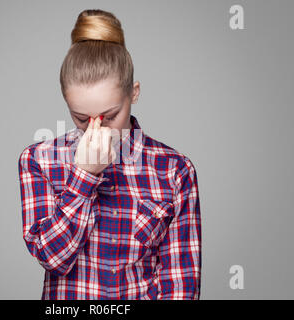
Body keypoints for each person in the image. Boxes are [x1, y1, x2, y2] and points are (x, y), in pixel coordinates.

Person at [18, 9, 201, 300]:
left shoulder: (174, 170)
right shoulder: (39, 160)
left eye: (110, 115)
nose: (96, 128)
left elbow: (180, 283)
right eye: (81, 118)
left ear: (134, 93)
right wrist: (84, 176)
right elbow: (53, 259)